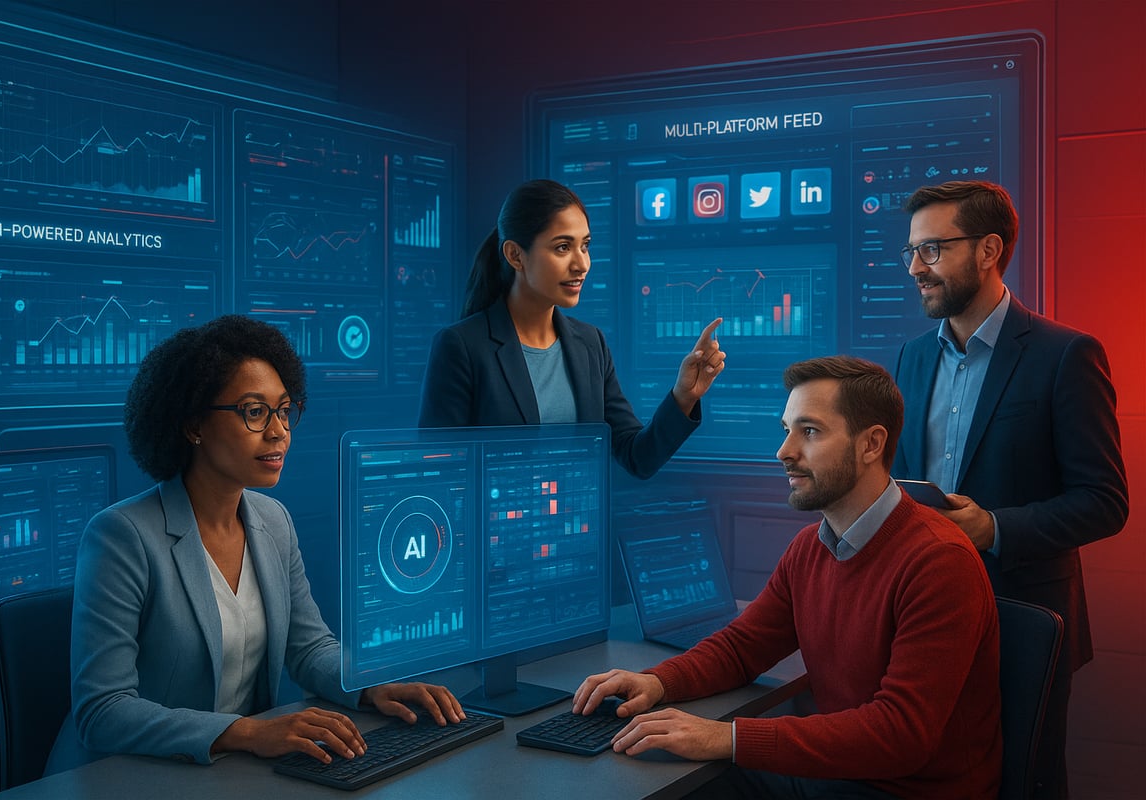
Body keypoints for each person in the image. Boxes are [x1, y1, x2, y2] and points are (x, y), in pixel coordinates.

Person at [47, 315, 464, 773]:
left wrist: (368, 684)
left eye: (285, 410)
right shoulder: (122, 536)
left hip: (229, 773)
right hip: (129, 776)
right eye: (254, 411)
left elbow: (309, 648)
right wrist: (246, 731)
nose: (278, 431)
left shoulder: (274, 521)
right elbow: (102, 711)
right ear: (193, 425)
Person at [574, 356, 1001, 799]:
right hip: (840, 777)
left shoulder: (939, 560)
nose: (784, 451)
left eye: (810, 431)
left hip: (906, 789)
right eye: (786, 430)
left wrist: (726, 737)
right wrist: (659, 681)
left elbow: (900, 735)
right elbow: (742, 649)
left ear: (871, 444)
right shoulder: (810, 548)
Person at [892, 180, 1129, 799]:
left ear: (989, 249)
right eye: (912, 251)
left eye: (934, 250)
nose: (916, 267)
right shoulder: (911, 358)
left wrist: (993, 528)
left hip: (1025, 620)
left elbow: (1104, 500)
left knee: (1025, 785)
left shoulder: (1066, 355)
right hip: (924, 617)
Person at [418, 179, 725, 479]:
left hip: (581, 526)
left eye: (585, 246)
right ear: (515, 255)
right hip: (495, 528)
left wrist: (683, 396)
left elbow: (637, 457)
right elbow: (438, 474)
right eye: (563, 247)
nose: (582, 264)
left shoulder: (590, 344)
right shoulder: (462, 347)